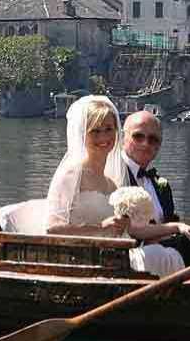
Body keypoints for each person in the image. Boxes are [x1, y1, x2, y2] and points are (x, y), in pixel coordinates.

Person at [108, 110, 190, 266]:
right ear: (123, 138)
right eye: (138, 136)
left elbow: (171, 225)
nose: (146, 143)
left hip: (168, 252)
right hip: (132, 258)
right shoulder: (111, 176)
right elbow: (126, 229)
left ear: (159, 145)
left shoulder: (160, 184)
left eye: (153, 140)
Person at [39, 95, 126, 236]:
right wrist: (100, 228)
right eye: (95, 131)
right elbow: (52, 228)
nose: (103, 137)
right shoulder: (72, 176)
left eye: (109, 129)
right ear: (82, 134)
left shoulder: (111, 185)